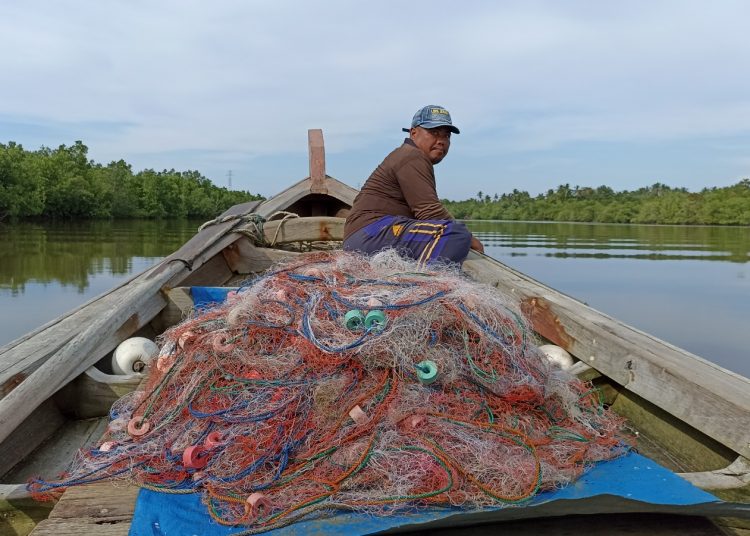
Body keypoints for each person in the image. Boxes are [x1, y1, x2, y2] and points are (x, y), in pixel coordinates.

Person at [343, 105, 484, 265]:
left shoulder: (409, 155)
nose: (441, 141)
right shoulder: (412, 156)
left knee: (454, 233)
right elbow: (429, 211)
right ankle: (427, 282)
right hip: (371, 233)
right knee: (455, 234)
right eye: (434, 132)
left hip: (368, 235)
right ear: (413, 133)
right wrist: (471, 240)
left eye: (446, 136)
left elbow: (427, 212)